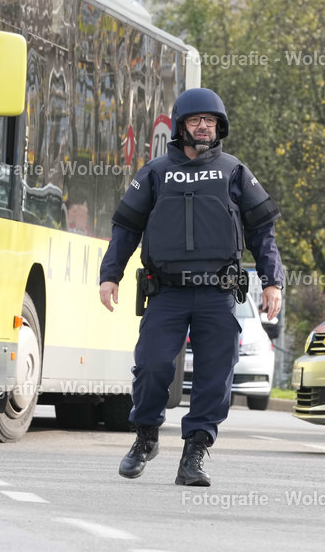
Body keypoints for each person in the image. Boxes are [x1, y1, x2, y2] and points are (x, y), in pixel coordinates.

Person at [99, 87, 284, 487]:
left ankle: (194, 453)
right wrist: (109, 274)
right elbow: (126, 228)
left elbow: (262, 232)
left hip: (217, 294)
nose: (204, 126)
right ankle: (146, 435)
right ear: (181, 125)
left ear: (219, 127)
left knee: (216, 377)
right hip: (167, 292)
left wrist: (273, 282)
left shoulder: (234, 171)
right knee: (152, 365)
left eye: (211, 121)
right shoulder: (155, 172)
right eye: (196, 120)